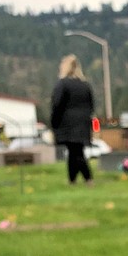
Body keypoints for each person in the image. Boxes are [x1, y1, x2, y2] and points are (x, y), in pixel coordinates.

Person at [50, 54, 96, 185]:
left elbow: (57, 105)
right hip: (83, 123)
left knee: (76, 152)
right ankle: (72, 179)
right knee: (74, 151)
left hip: (67, 124)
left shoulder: (63, 84)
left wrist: (54, 123)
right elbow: (91, 105)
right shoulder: (85, 85)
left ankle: (88, 178)